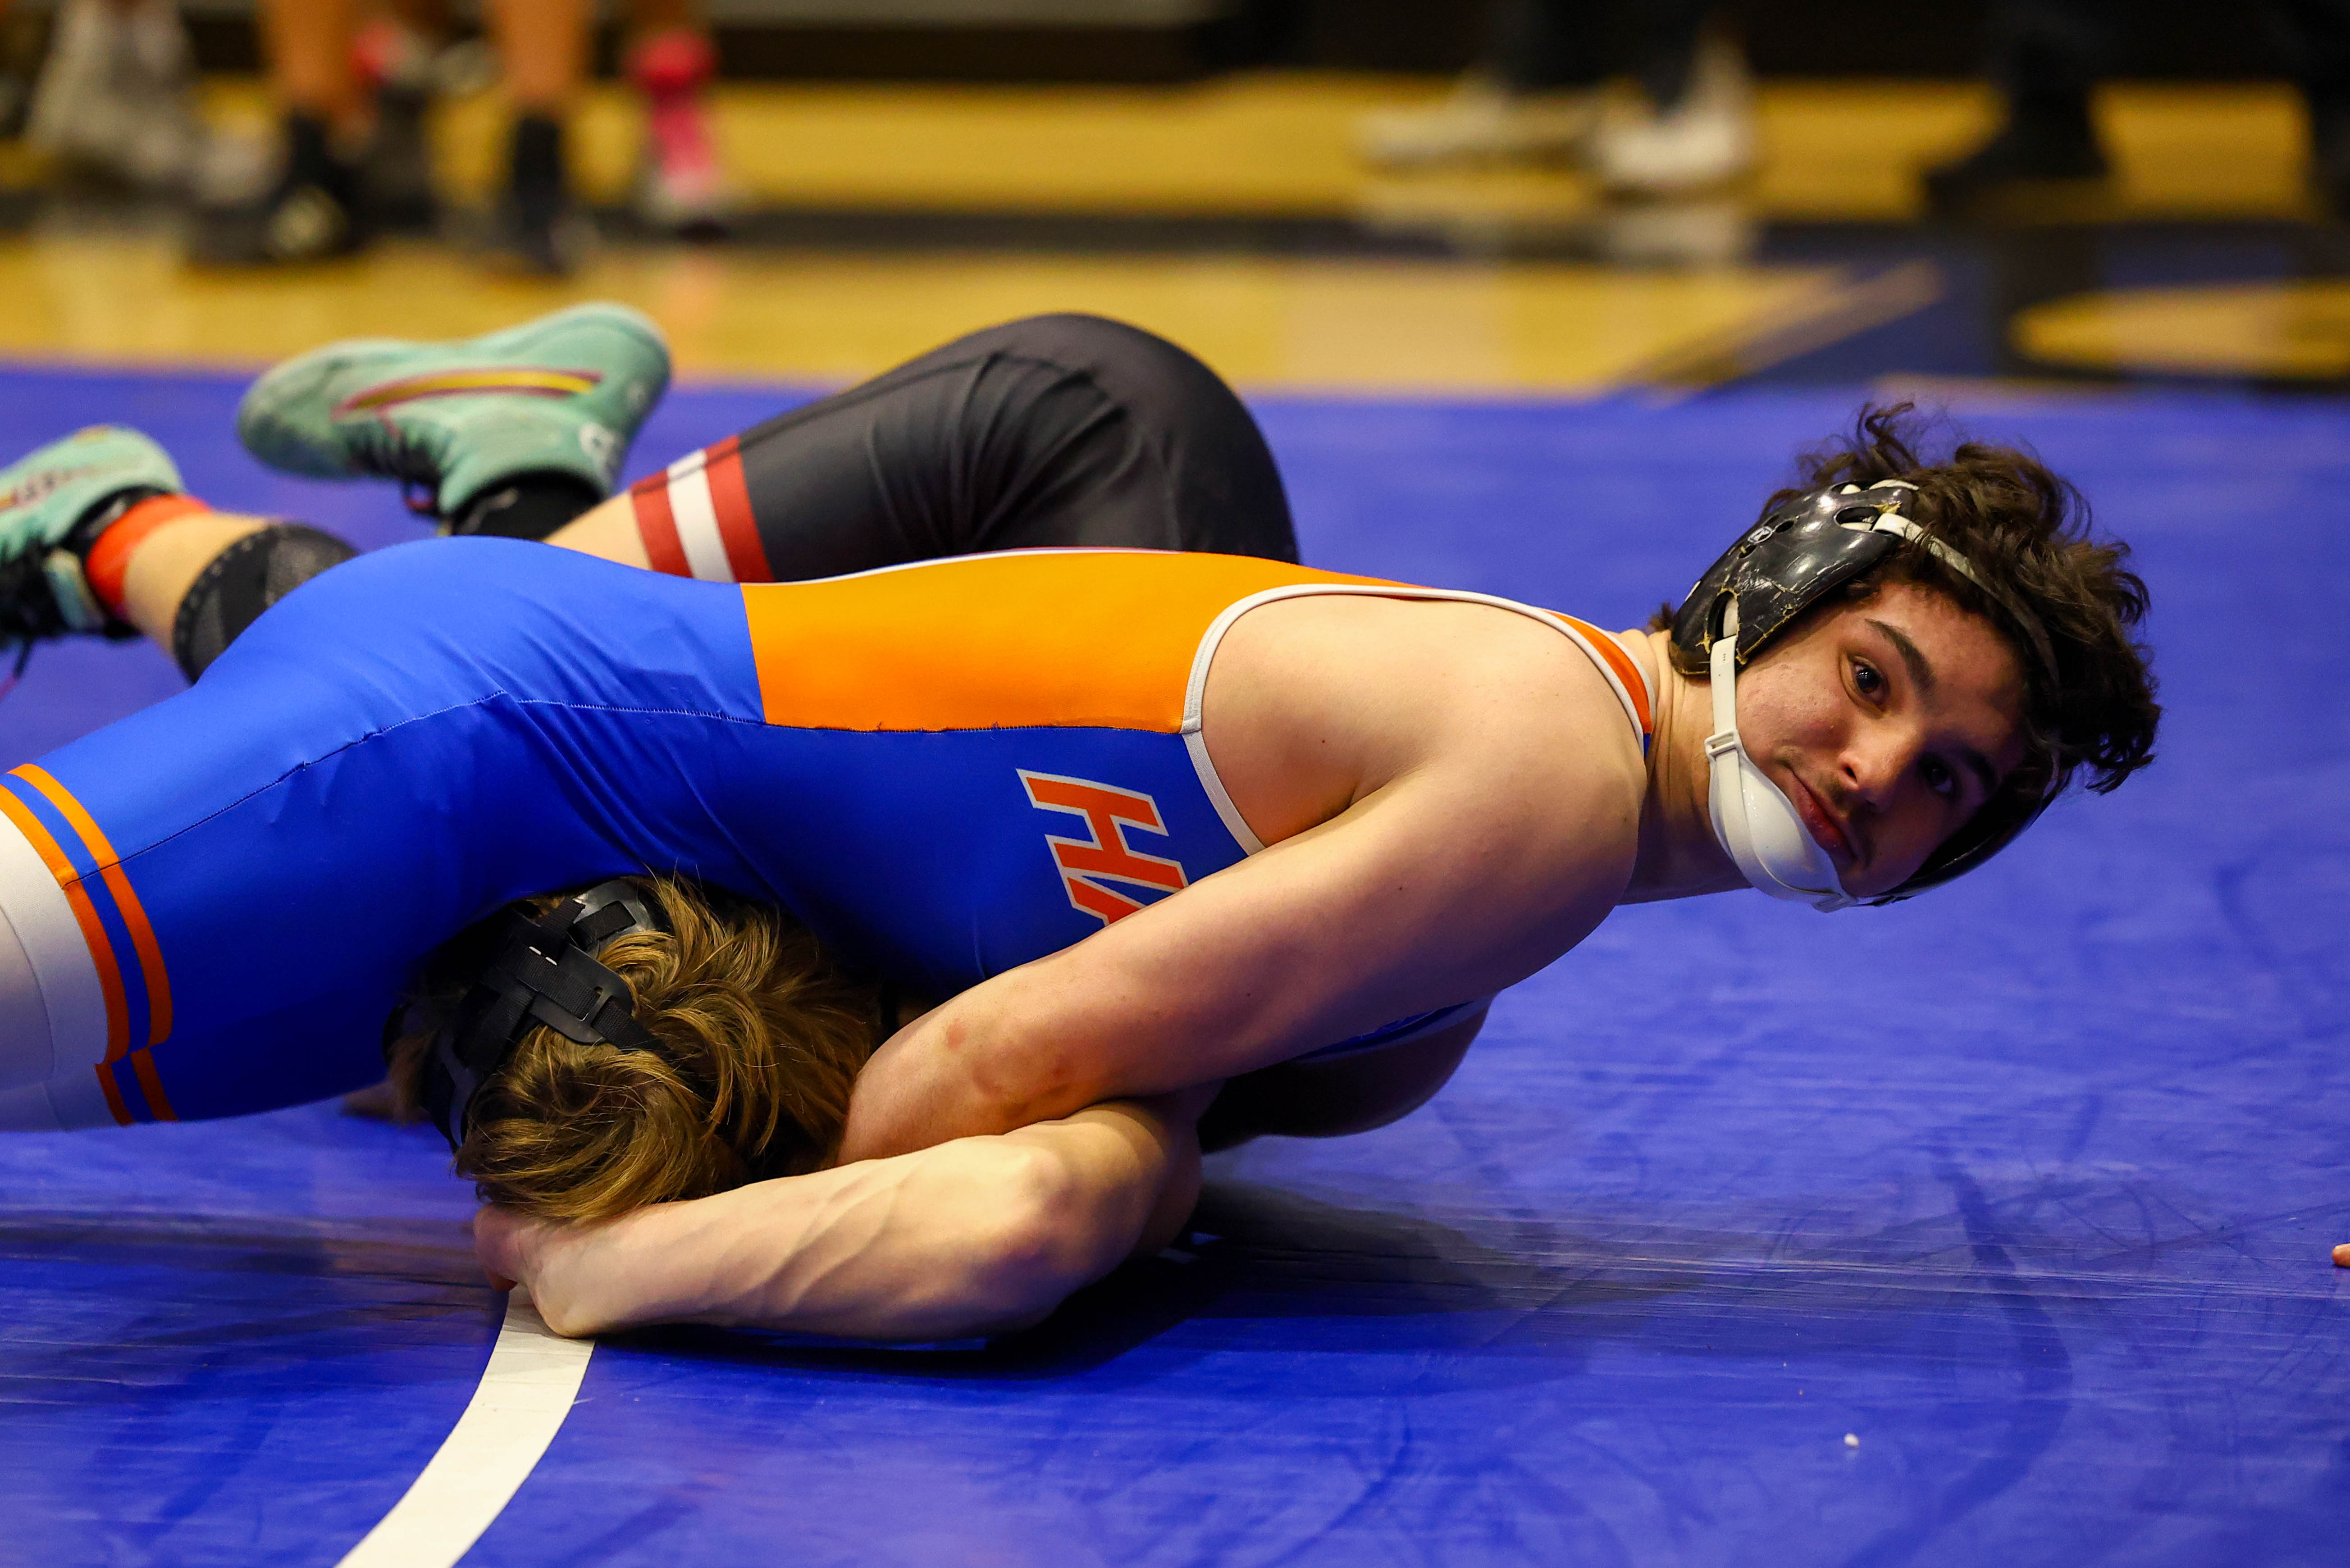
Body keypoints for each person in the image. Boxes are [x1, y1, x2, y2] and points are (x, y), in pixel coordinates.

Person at [0, 305, 2159, 1339]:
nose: (1875, 773)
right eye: (1872, 684)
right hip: (476, 730)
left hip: (528, 841)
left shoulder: (1458, 969)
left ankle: (142, 525)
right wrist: (633, 1248)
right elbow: (993, 1068)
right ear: (1769, 595)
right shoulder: (1549, 774)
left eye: (1944, 784)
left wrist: (1049, 1188)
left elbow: (1049, 1157)